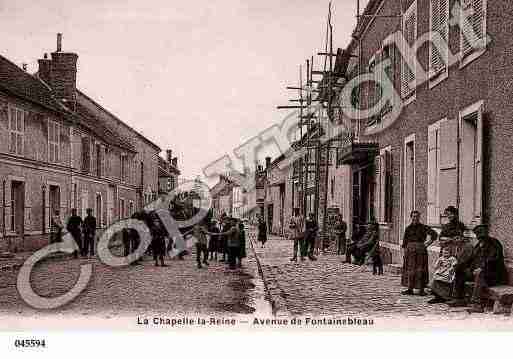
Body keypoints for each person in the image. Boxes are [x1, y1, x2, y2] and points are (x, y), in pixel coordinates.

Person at [448, 224, 508, 313]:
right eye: (478, 236)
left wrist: (482, 268)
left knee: (480, 274)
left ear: (486, 234)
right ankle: (459, 298)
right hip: (479, 272)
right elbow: (471, 258)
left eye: (482, 236)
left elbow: (494, 260)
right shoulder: (478, 245)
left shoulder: (494, 243)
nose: (480, 239)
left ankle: (477, 304)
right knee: (459, 270)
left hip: (493, 275)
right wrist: (459, 266)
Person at [401, 211, 438, 296]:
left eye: (417, 216)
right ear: (411, 217)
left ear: (419, 217)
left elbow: (434, 234)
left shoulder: (423, 227)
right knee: (410, 269)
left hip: (420, 250)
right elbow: (405, 241)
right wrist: (405, 252)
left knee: (420, 269)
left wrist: (427, 243)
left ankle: (421, 289)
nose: (415, 218)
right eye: (413, 216)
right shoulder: (408, 228)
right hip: (410, 250)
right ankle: (409, 289)